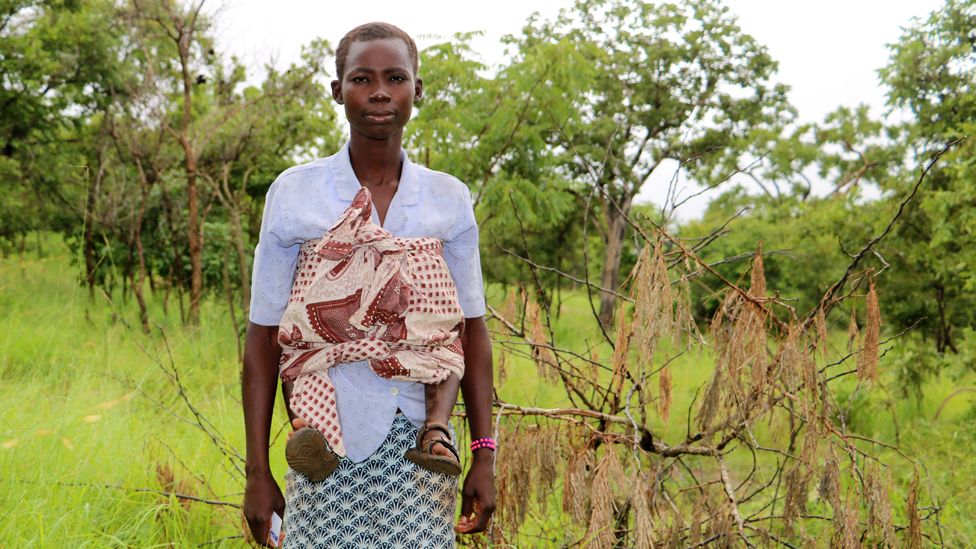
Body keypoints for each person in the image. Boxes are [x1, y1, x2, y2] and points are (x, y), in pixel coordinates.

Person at [241, 21, 496, 548]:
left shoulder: (446, 199)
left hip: (424, 445)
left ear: (417, 90)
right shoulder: (296, 195)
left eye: (396, 77)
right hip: (322, 439)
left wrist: (484, 454)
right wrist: (257, 473)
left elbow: (470, 331)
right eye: (361, 78)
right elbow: (264, 338)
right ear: (338, 91)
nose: (379, 91)